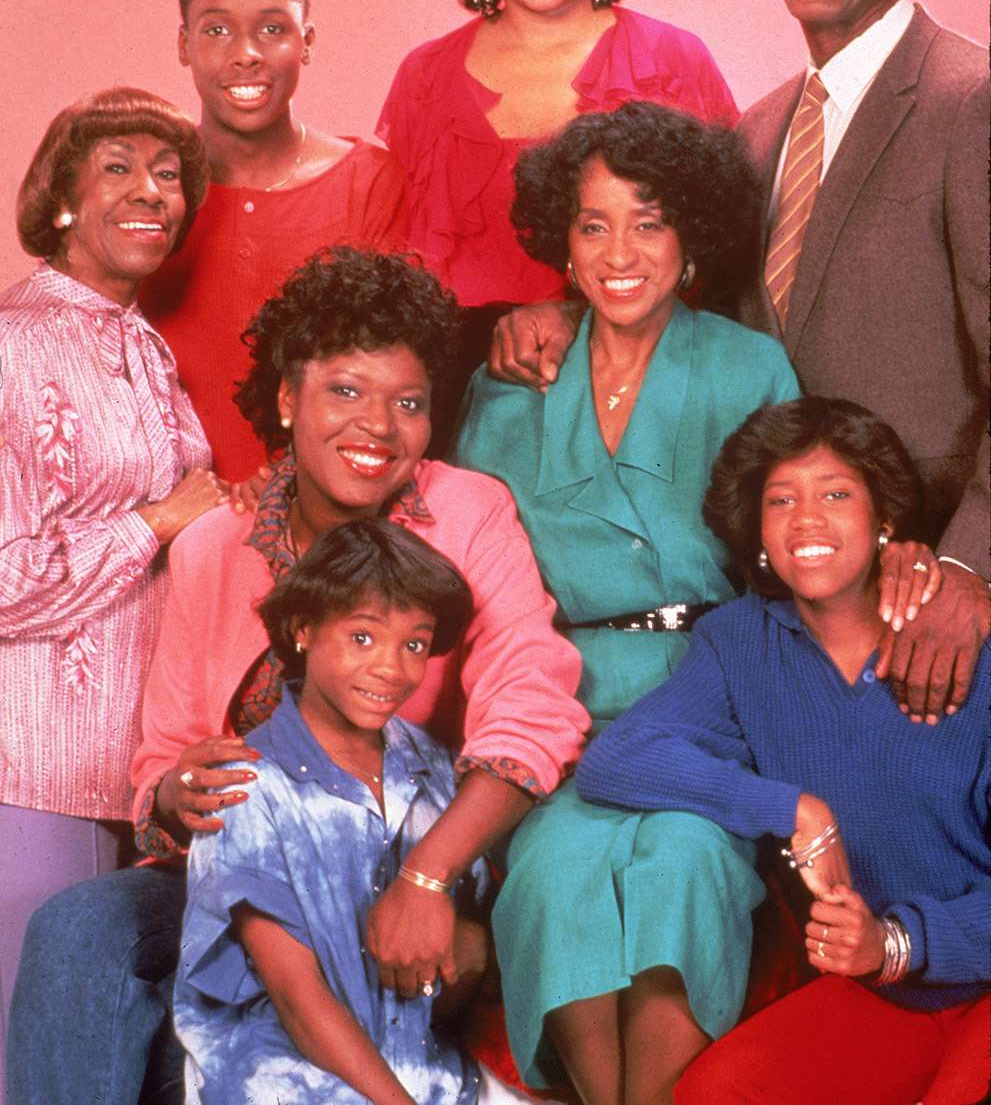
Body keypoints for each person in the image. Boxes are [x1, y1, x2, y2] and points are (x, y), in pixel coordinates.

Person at [7, 247, 588, 1105]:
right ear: (287, 399)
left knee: (219, 1047)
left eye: (409, 403)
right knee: (76, 927)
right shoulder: (212, 546)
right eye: (345, 392)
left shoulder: (467, 513)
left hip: (398, 863)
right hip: (237, 869)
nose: (378, 427)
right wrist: (175, 792)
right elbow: (162, 752)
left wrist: (430, 876)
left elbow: (532, 704)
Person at [489, 0, 990, 723]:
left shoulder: (969, 100)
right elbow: (664, 293)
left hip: (924, 592)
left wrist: (967, 568)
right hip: (778, 594)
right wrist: (568, 310)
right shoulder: (760, 134)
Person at [451, 103, 807, 1103]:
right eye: (593, 222)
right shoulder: (512, 379)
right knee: (557, 880)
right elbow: (469, 566)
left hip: (705, 698)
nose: (620, 251)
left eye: (647, 221)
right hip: (557, 702)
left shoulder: (747, 367)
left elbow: (786, 566)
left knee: (683, 868)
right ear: (559, 242)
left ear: (690, 234)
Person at [577, 397, 990, 1105]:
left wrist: (895, 943)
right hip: (889, 1002)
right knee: (713, 1094)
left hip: (964, 976)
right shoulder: (739, 642)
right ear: (758, 532)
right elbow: (616, 758)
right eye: (780, 500)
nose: (807, 520)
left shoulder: (960, 641)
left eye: (835, 494)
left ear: (882, 517)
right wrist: (790, 806)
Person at [376, 0, 737, 437]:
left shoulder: (672, 62)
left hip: (646, 411)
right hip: (460, 423)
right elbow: (394, 298)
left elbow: (728, 274)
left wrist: (577, 315)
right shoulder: (423, 80)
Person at [0, 89, 228, 1095]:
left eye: (169, 174)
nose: (152, 191)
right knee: (30, 1058)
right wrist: (157, 522)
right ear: (59, 201)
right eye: (119, 169)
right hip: (29, 765)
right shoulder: (12, 341)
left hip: (131, 775)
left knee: (103, 1065)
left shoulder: (146, 345)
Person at [177, 517, 530, 1105]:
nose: (391, 668)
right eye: (363, 637)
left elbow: (464, 942)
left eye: (413, 644)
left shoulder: (434, 767)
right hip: (287, 1078)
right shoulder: (246, 786)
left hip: (422, 1070)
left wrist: (471, 944)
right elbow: (297, 999)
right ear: (303, 630)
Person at [140, 0, 407, 479]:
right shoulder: (145, 192)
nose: (246, 54)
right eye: (217, 30)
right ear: (184, 44)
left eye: (272, 29)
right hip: (166, 509)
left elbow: (391, 376)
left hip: (322, 513)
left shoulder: (369, 183)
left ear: (306, 41)